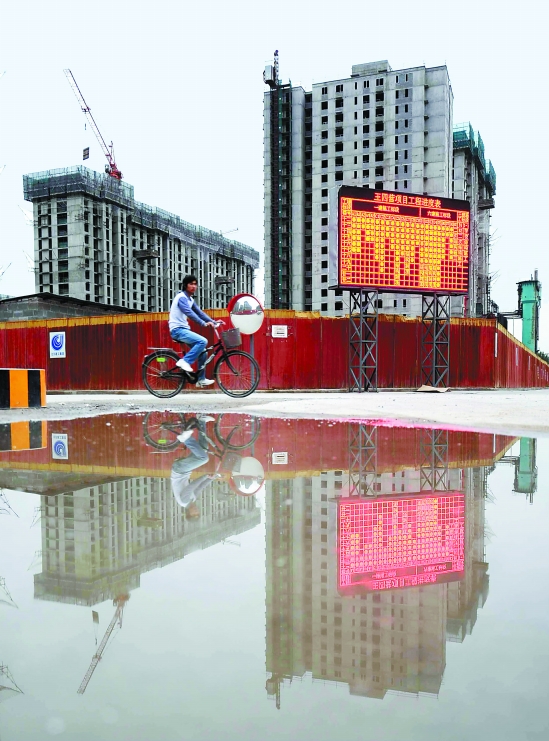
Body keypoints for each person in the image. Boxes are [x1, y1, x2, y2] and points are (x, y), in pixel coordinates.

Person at [169, 275, 217, 388]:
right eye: (191, 284)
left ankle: (201, 379)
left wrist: (213, 322)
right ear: (185, 285)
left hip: (183, 329)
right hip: (177, 330)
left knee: (203, 352)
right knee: (202, 341)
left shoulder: (190, 300)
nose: (194, 286)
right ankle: (185, 361)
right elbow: (189, 313)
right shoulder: (181, 297)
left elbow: (199, 313)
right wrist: (203, 323)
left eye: (195, 284)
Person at [171, 416, 219, 517]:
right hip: (184, 471)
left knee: (203, 458)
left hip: (179, 470)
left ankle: (186, 439)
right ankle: (201, 421)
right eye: (198, 512)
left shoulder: (184, 501)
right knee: (204, 448)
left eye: (194, 513)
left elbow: (191, 486)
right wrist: (212, 478)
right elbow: (200, 487)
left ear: (188, 513)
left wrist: (205, 476)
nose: (196, 510)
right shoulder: (192, 499)